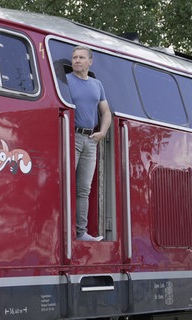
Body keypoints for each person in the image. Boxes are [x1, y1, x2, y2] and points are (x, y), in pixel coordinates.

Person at [66, 45, 111, 242]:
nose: (76, 60)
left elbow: (106, 112)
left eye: (81, 57)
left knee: (84, 189)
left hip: (91, 140)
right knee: (67, 185)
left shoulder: (97, 85)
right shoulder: (65, 81)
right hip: (72, 137)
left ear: (90, 62)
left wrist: (103, 132)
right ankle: (64, 231)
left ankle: (80, 233)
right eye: (74, 57)